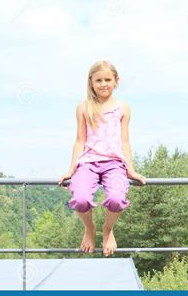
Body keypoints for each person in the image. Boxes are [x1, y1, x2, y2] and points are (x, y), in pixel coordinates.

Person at [58, 60, 146, 257]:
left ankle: (107, 229)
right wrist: (71, 169)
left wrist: (130, 169)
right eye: (99, 80)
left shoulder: (123, 108)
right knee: (80, 198)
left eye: (108, 79)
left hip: (114, 164)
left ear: (116, 81)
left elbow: (125, 142)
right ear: (91, 82)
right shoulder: (84, 107)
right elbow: (80, 140)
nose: (103, 84)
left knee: (117, 198)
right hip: (87, 163)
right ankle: (89, 229)